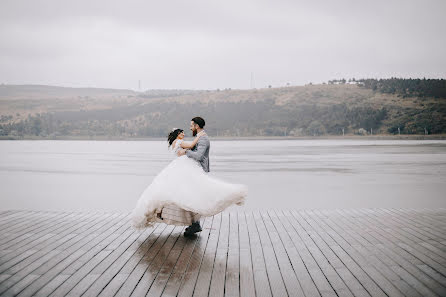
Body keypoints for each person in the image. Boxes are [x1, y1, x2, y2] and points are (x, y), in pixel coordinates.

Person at [131, 117, 247, 237]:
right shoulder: (190, 140)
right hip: (186, 169)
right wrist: (189, 147)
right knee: (185, 195)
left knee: (187, 195)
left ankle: (193, 223)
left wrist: (186, 152)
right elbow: (191, 147)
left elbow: (199, 156)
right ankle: (192, 223)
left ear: (196, 126)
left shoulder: (203, 139)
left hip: (191, 169)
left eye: (191, 125)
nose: (189, 128)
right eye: (183, 131)